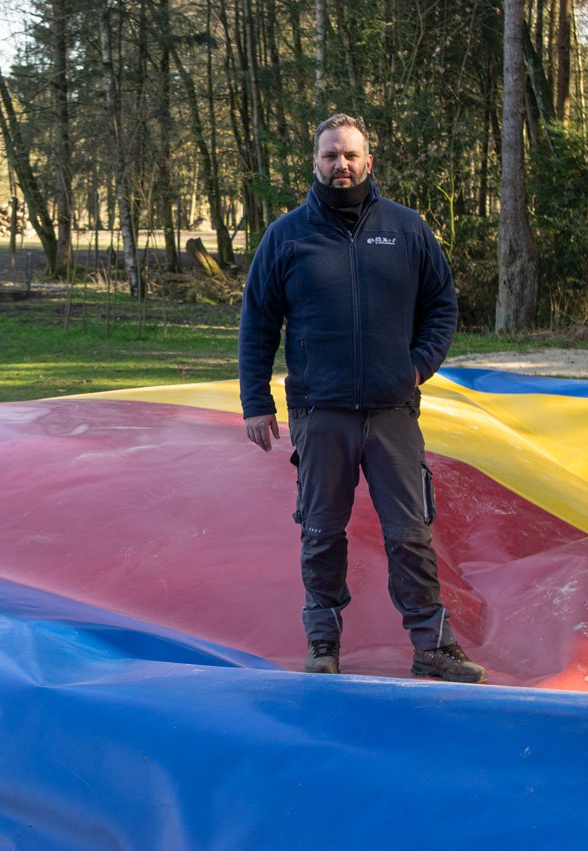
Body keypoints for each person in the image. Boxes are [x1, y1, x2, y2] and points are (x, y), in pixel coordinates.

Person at [237, 113, 487, 683]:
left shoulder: (405, 229)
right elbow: (258, 323)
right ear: (316, 162)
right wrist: (256, 401)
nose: (341, 165)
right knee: (322, 531)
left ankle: (432, 646)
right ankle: (322, 643)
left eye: (350, 155)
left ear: (369, 162)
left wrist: (416, 367)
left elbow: (441, 304)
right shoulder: (287, 236)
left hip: (391, 410)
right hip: (319, 412)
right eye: (331, 156)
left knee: (410, 532)